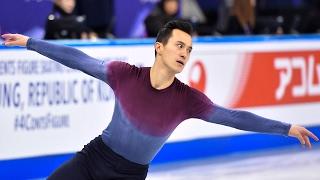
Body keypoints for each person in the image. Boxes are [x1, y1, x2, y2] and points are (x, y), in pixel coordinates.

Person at [1, 20, 319, 180]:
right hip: (92, 161)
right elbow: (79, 59)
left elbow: (233, 117)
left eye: (189, 50)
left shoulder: (187, 100)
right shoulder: (124, 74)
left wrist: (286, 128)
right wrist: (30, 42)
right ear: (159, 47)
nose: (184, 53)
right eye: (179, 45)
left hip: (130, 175)